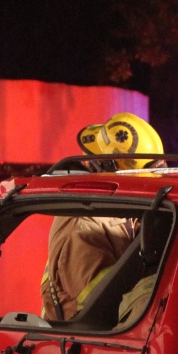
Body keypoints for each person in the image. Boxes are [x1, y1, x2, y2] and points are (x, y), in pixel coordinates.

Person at [39, 113, 163, 321]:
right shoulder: (81, 227)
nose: (145, 189)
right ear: (108, 170)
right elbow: (108, 304)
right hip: (78, 348)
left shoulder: (119, 210)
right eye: (140, 182)